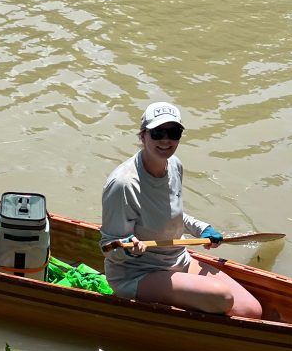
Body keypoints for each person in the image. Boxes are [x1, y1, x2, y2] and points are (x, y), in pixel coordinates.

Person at [100, 101, 263, 319]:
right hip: (137, 272)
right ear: (143, 135)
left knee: (251, 310)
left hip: (177, 258)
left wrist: (202, 229)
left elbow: (170, 215)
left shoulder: (174, 164)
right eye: (157, 132)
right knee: (222, 297)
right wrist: (130, 248)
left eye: (173, 132)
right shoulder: (124, 184)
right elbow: (108, 246)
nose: (166, 140)